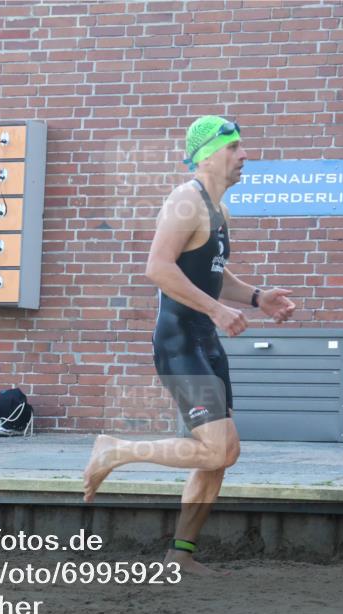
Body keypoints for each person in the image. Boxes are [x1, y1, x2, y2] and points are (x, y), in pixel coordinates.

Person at [82, 116, 296, 575]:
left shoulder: (219, 209)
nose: (244, 155)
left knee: (219, 455)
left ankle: (181, 555)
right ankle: (115, 450)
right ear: (209, 154)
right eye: (235, 146)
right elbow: (158, 268)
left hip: (205, 342)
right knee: (218, 451)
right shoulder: (185, 201)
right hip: (180, 343)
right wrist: (216, 311)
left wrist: (257, 298)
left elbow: (212, 274)